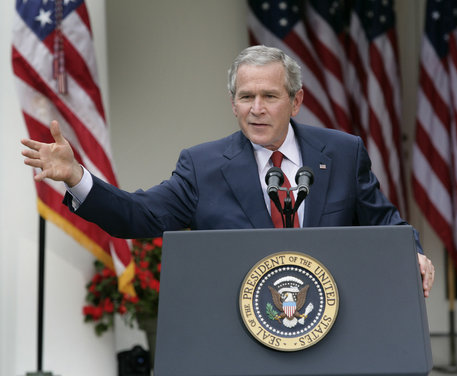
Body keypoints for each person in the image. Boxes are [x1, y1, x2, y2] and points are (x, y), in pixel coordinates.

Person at [21, 45, 435, 297]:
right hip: (239, 334)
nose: (256, 108)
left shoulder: (342, 153)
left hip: (333, 325)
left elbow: (384, 222)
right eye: (246, 96)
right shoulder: (202, 166)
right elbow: (139, 215)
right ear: (232, 103)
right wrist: (77, 176)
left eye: (269, 96)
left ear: (296, 101)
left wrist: (412, 252)